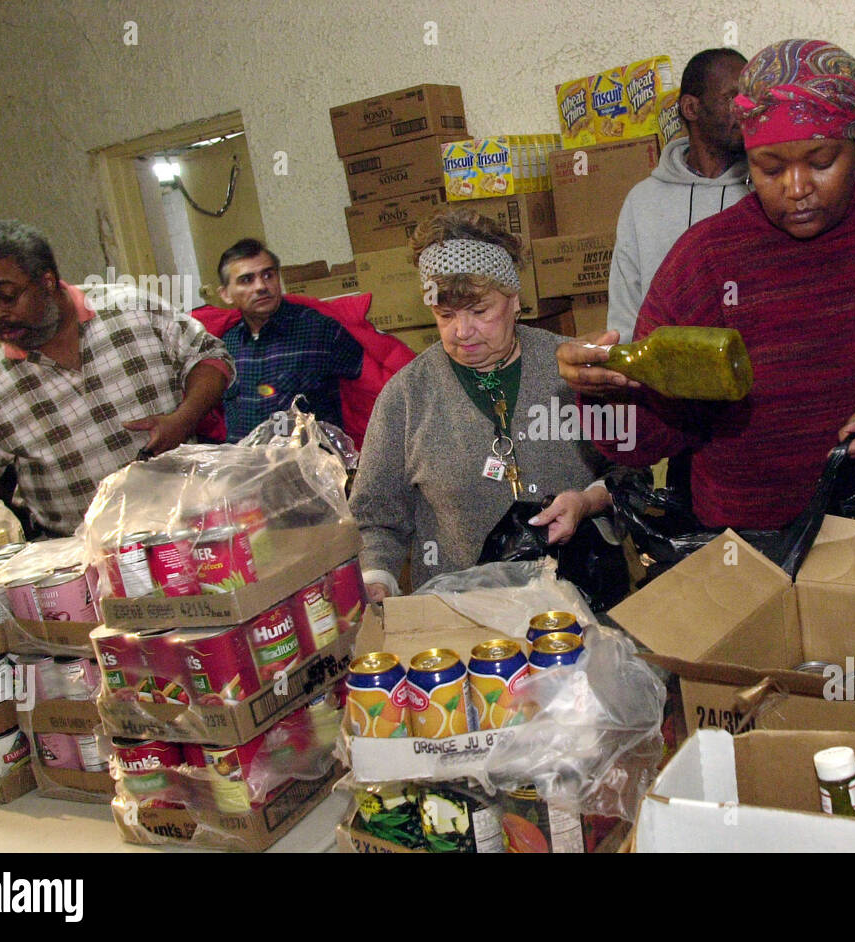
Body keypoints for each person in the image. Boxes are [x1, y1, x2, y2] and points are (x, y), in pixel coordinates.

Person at [557, 39, 855, 606]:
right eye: (769, 167)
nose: (797, 188)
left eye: (821, 161)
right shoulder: (706, 260)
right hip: (771, 578)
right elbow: (643, 441)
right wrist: (604, 391)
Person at [349, 208, 613, 601]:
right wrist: (377, 580)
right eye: (445, 314)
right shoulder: (407, 396)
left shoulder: (570, 369)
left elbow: (627, 474)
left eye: (479, 311)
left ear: (514, 299)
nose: (462, 331)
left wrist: (586, 502)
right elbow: (377, 519)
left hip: (581, 598)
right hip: (461, 612)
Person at [0, 220, 234, 536]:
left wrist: (183, 419)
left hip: (188, 527)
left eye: (6, 296)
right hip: (79, 554)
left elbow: (209, 356)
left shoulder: (130, 308)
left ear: (47, 281)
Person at [608, 48, 752, 343]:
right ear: (691, 108)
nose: (746, 107)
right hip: (666, 381)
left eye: (750, 96)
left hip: (753, 376)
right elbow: (625, 316)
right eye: (732, 97)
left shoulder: (766, 190)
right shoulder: (643, 201)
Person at [216, 238, 365, 441]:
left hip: (310, 467)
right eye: (246, 280)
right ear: (226, 294)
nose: (261, 286)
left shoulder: (320, 331)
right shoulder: (224, 346)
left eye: (268, 275)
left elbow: (367, 387)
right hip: (245, 469)